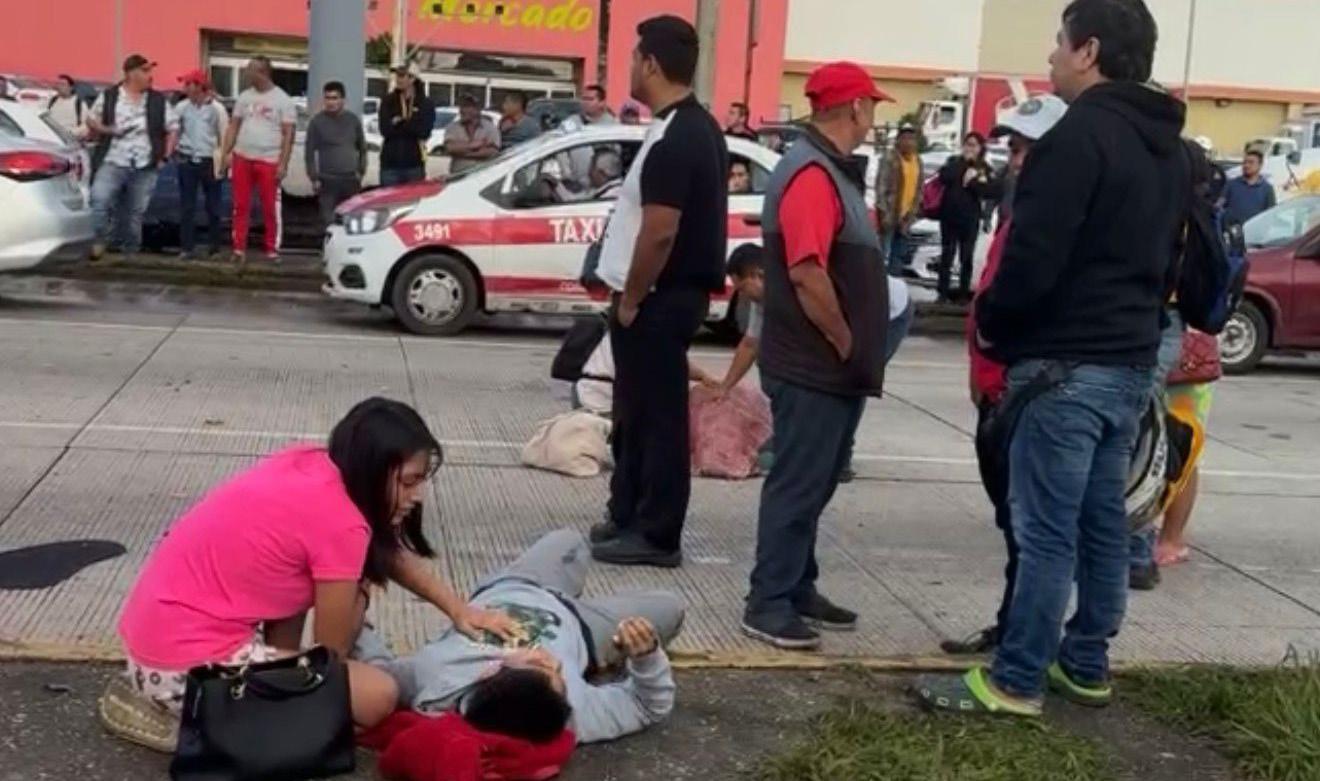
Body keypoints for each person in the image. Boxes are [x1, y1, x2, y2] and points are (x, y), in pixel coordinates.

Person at [918, 0, 1187, 716]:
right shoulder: (1169, 146)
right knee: (1102, 524)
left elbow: (1032, 260)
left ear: (1088, 50)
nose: (1050, 57)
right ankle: (1086, 660)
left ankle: (1016, 679)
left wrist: (994, 328)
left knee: (1045, 531)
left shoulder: (1077, 138)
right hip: (1128, 362)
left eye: (1058, 43)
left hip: (1063, 367)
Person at [113, 398, 517, 734]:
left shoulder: (313, 464)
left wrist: (458, 609)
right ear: (372, 469)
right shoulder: (343, 525)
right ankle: (206, 723)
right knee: (378, 696)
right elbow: (331, 658)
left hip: (154, 644)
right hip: (184, 673)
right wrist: (360, 599)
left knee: (314, 591)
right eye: (409, 482)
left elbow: (385, 552)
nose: (419, 496)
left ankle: (263, 694)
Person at [742, 61, 891, 650]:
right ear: (855, 107)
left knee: (817, 480)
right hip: (814, 362)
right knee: (799, 483)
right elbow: (806, 273)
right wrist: (845, 339)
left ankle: (797, 584)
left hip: (829, 365)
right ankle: (769, 601)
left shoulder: (827, 170)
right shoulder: (811, 174)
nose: (873, 115)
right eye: (871, 104)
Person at [590, 15, 729, 568]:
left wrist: (631, 297)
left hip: (658, 299)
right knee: (634, 414)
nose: (629, 67)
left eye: (632, 57)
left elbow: (660, 230)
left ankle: (656, 532)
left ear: (650, 63)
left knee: (657, 419)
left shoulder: (681, 135)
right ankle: (627, 511)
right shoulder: (683, 127)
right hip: (655, 299)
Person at [941, 94, 1069, 656]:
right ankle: (1015, 625)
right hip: (996, 391)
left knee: (1030, 526)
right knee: (1013, 521)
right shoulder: (1022, 215)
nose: (1014, 162)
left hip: (1022, 393)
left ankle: (1025, 641)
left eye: (1024, 150)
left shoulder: (1054, 221)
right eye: (1013, 150)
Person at [359, 529, 681, 744]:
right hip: (583, 628)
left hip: (515, 585)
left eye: (539, 663)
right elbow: (647, 705)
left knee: (570, 540)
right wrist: (646, 657)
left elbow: (376, 671)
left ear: (490, 670)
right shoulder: (570, 712)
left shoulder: (434, 673)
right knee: (671, 607)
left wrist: (358, 618)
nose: (553, 661)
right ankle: (607, 652)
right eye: (560, 675)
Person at [86, 54, 179, 262]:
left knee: (134, 212)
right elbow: (91, 120)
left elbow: (173, 127)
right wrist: (107, 129)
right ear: (131, 73)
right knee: (99, 200)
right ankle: (100, 240)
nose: (150, 75)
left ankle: (130, 253)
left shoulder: (158, 100)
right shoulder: (110, 96)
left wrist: (165, 156)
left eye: (150, 71)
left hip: (144, 164)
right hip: (113, 160)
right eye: (145, 71)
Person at [218, 56, 296, 265]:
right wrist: (226, 154)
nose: (247, 74)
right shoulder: (245, 97)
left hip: (268, 159)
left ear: (263, 72)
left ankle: (271, 248)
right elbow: (234, 126)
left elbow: (288, 134)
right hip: (242, 157)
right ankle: (238, 248)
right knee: (240, 205)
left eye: (250, 70)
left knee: (269, 207)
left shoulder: (282, 100)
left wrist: (283, 163)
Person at [935, 131, 991, 303]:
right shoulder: (954, 162)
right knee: (947, 255)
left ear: (980, 148)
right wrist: (964, 166)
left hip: (970, 219)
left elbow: (989, 191)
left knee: (966, 257)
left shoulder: (983, 168)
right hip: (949, 217)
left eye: (974, 145)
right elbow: (943, 177)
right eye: (967, 144)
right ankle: (942, 293)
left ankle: (963, 294)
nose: (970, 149)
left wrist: (973, 180)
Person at [305, 80, 367, 231]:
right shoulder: (316, 122)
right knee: (329, 223)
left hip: (350, 180)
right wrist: (314, 177)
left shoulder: (353, 120)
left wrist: (361, 171)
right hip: (327, 181)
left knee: (352, 221)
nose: (331, 102)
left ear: (342, 100)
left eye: (335, 98)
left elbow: (362, 148)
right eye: (327, 98)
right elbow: (309, 152)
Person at [875, 123, 923, 276]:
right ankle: (879, 284)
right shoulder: (890, 159)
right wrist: (883, 212)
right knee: (882, 255)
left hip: (906, 217)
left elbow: (919, 189)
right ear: (898, 140)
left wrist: (913, 214)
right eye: (905, 138)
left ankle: (894, 283)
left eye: (911, 139)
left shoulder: (917, 161)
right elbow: (881, 187)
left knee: (898, 257)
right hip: (890, 215)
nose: (908, 142)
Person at [378, 64, 437, 185]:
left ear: (412, 78)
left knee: (413, 196)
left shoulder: (425, 103)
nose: (397, 79)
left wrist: (401, 122)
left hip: (414, 164)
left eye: (401, 75)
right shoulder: (388, 100)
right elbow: (385, 130)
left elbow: (424, 132)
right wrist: (411, 124)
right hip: (390, 164)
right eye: (396, 75)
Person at [445, 93, 501, 175]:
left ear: (477, 109)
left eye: (467, 106)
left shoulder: (490, 128)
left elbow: (493, 151)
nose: (462, 110)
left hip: (483, 174)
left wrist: (464, 153)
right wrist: (473, 145)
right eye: (461, 106)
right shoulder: (453, 127)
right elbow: (450, 148)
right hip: (458, 174)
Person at [1222, 150, 1276, 226]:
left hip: (1255, 231)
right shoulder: (1231, 184)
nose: (1246, 165)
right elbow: (1220, 206)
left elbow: (1270, 215)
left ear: (1260, 165)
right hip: (1232, 230)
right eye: (1244, 162)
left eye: (1251, 162)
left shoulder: (1267, 189)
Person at [47, 74, 88, 138]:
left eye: (63, 84)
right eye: (58, 84)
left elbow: (85, 125)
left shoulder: (79, 104)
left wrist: (72, 133)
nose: (59, 87)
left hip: (69, 138)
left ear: (71, 87)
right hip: (51, 137)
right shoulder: (52, 101)